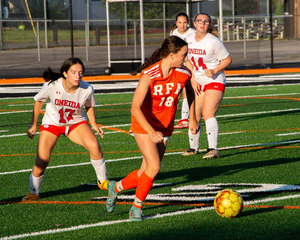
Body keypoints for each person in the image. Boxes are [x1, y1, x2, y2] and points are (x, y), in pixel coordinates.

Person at [105, 36, 199, 221]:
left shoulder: (183, 72)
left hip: (164, 126)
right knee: (155, 167)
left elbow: (190, 91)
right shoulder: (150, 74)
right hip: (143, 125)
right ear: (172, 55)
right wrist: (150, 131)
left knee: (145, 171)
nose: (186, 58)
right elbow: (135, 107)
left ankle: (115, 188)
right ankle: (136, 208)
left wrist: (193, 118)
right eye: (184, 54)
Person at [22, 57, 109, 201]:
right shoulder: (52, 85)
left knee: (94, 145)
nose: (77, 76)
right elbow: (38, 101)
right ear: (65, 73)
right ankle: (34, 191)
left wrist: (93, 123)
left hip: (75, 123)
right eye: (73, 72)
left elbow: (89, 105)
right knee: (42, 160)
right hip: (52, 123)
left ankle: (103, 182)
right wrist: (33, 124)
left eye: (80, 72)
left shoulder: (87, 88)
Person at [182, 13, 232, 159]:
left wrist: (215, 70)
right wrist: (192, 78)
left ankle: (213, 149)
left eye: (206, 22)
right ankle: (193, 148)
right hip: (197, 81)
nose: (202, 23)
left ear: (209, 25)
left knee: (208, 113)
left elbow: (227, 59)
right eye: (200, 21)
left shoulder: (214, 41)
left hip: (214, 80)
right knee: (194, 115)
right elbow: (187, 59)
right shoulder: (188, 39)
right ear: (195, 23)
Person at [170, 12, 196, 129]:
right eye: (180, 22)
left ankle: (185, 118)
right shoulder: (173, 33)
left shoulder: (193, 34)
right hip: (176, 64)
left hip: (189, 64)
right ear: (176, 23)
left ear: (188, 23)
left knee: (187, 90)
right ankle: (171, 117)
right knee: (175, 91)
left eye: (185, 22)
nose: (182, 25)